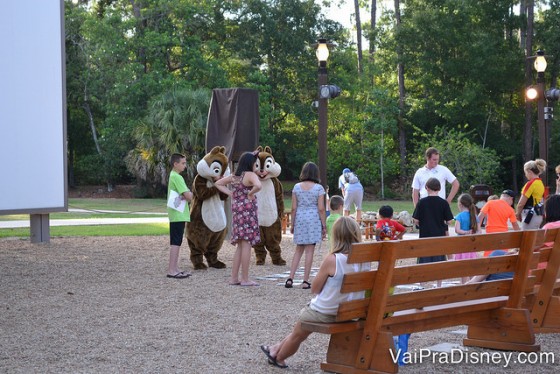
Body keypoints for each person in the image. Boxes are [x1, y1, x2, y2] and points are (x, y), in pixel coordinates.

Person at [260, 217, 369, 369]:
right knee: (299, 328)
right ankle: (274, 348)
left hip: (327, 311)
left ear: (336, 236)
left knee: (299, 332)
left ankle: (279, 357)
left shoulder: (333, 259)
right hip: (352, 312)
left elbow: (315, 289)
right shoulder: (366, 259)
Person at [215, 151, 262, 286]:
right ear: (250, 163)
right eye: (255, 163)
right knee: (246, 244)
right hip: (248, 211)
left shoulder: (234, 177)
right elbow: (258, 186)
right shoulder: (250, 175)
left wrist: (231, 193)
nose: (256, 166)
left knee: (240, 245)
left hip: (237, 210)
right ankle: (245, 278)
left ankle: (234, 278)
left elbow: (218, 183)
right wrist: (251, 192)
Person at [285, 162, 327, 289]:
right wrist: (323, 225)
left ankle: (290, 278)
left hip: (300, 218)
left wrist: (292, 224)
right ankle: (305, 280)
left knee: (298, 250)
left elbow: (293, 208)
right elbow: (321, 208)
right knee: (310, 251)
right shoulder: (319, 188)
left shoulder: (296, 187)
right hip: (313, 219)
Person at [412, 178, 454, 287]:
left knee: (424, 260)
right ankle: (439, 284)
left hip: (425, 235)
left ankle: (422, 284)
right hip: (439, 236)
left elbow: (416, 219)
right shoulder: (443, 203)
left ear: (426, 188)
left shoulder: (421, 202)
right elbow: (449, 220)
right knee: (439, 260)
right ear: (439, 189)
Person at [166, 153, 193, 279]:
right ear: (175, 164)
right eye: (182, 163)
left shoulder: (173, 176)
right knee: (176, 241)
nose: (185, 165)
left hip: (176, 214)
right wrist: (195, 196)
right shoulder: (177, 177)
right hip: (178, 214)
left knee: (176, 241)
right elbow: (188, 196)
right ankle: (172, 269)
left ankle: (175, 268)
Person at [478, 189, 520, 256]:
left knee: (489, 254)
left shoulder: (490, 203)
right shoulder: (511, 209)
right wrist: (519, 236)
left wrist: (477, 229)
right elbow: (515, 225)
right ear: (511, 199)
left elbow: (480, 216)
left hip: (490, 234)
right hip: (503, 237)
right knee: (502, 256)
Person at [453, 193, 480, 283]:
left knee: (463, 267)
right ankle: (472, 283)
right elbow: (479, 231)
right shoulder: (475, 216)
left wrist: (465, 233)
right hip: (472, 245)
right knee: (471, 266)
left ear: (460, 204)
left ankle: (463, 284)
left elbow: (457, 230)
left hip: (462, 244)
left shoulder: (459, 216)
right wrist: (471, 233)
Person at [516, 159, 547, 229]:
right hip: (538, 214)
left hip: (530, 215)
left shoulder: (530, 184)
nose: (525, 175)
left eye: (525, 172)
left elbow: (521, 203)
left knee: (526, 238)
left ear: (529, 171)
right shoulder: (540, 183)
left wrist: (518, 213)